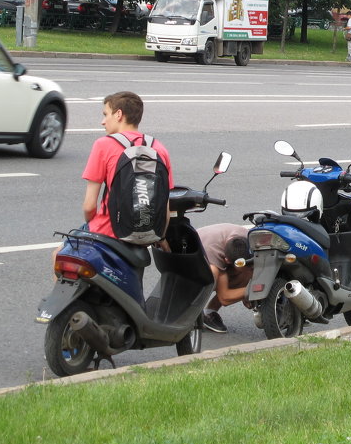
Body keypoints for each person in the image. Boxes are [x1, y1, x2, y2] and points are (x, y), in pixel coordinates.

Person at [81, 91, 174, 240]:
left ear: (118, 114)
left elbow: (89, 206)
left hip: (107, 231)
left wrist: (90, 225)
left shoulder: (103, 144)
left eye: (106, 114)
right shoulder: (159, 149)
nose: (103, 121)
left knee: (59, 254)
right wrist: (158, 238)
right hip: (147, 235)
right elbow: (165, 207)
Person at [197, 223, 253, 333]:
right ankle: (194, 314)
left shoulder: (248, 238)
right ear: (227, 260)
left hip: (215, 244)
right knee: (214, 273)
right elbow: (225, 298)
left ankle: (210, 312)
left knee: (247, 273)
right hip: (190, 264)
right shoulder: (215, 254)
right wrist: (252, 290)